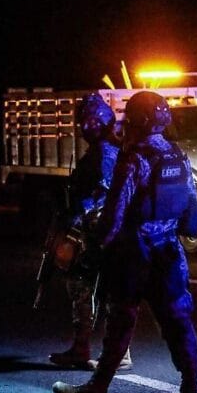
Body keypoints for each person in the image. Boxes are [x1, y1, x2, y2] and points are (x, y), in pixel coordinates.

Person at [51, 91, 197, 393]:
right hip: (170, 253)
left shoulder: (134, 159)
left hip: (135, 253)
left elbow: (114, 216)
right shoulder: (178, 155)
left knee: (120, 321)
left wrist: (95, 248)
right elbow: (192, 206)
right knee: (179, 323)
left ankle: (97, 390)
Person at [48, 92, 132, 371]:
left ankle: (108, 351)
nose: (85, 127)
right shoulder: (101, 151)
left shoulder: (106, 153)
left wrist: (79, 212)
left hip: (100, 231)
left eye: (88, 122)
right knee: (95, 289)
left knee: (91, 287)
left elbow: (106, 192)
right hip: (98, 229)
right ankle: (87, 348)